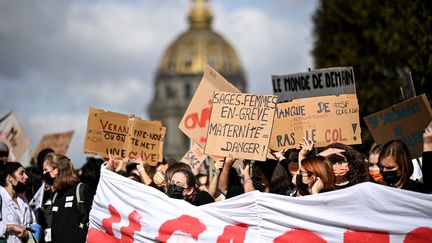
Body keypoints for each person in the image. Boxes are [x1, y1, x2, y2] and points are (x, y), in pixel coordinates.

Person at [42, 153, 93, 243]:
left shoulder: (80, 189)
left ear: (56, 169)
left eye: (46, 170)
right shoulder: (56, 195)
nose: (43, 174)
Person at [0, 162, 37, 243]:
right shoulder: (1, 197)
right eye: (21, 173)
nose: (26, 177)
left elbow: (34, 225)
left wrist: (28, 233)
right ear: (10, 178)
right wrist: (11, 227)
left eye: (25, 173)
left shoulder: (23, 199)